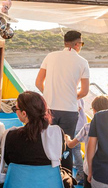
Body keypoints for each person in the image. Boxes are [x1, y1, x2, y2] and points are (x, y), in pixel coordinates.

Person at [0, 91, 72, 188]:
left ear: (24, 113)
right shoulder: (56, 134)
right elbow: (59, 155)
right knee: (57, 174)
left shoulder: (10, 136)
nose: (15, 111)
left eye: (15, 109)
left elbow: (7, 161)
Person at [35, 30, 90, 165]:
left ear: (65, 43)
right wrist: (70, 97)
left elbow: (38, 83)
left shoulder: (50, 56)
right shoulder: (83, 62)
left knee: (46, 144)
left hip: (49, 109)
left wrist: (49, 93)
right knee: (66, 147)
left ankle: (47, 173)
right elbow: (84, 91)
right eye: (81, 44)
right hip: (69, 111)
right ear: (77, 44)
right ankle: (66, 176)